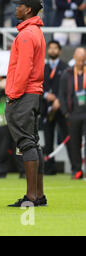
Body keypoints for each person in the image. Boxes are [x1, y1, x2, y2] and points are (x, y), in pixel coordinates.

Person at [5, 0, 47, 207]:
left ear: (28, 9)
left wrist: (13, 94)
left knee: (26, 143)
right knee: (33, 142)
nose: (16, 8)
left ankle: (31, 197)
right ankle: (38, 195)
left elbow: (23, 69)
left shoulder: (26, 35)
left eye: (19, 5)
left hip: (24, 94)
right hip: (34, 93)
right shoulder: (36, 32)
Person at [58, 47, 86, 179]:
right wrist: (65, 113)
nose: (81, 62)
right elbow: (61, 95)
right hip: (73, 114)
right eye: (79, 59)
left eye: (83, 60)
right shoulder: (67, 74)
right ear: (74, 58)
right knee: (74, 143)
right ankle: (76, 170)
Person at [42, 40, 68, 175]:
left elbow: (68, 87)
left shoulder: (65, 67)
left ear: (60, 51)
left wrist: (59, 100)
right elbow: (39, 86)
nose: (52, 50)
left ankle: (76, 167)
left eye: (55, 48)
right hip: (47, 108)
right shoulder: (43, 67)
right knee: (48, 139)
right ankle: (49, 168)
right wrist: (46, 95)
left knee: (67, 137)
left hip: (61, 108)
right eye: (50, 48)